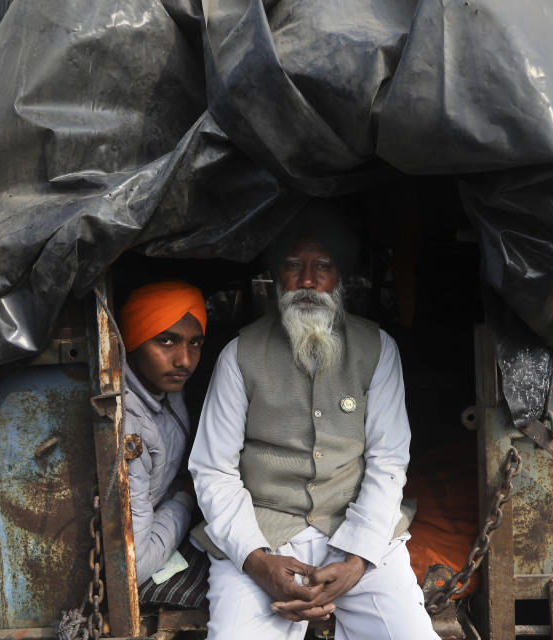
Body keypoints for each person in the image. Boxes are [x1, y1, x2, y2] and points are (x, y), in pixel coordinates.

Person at [188, 207, 438, 639]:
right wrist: (258, 562)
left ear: (340, 276)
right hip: (263, 533)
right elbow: (213, 469)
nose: (306, 281)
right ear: (276, 276)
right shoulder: (238, 355)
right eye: (293, 266)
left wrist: (357, 560)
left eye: (322, 266)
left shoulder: (378, 348)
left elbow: (388, 460)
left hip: (357, 527)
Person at [119, 281, 206, 584]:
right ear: (133, 340)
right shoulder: (126, 422)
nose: (184, 361)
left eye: (194, 343)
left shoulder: (166, 389)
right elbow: (135, 567)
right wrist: (185, 500)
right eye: (166, 341)